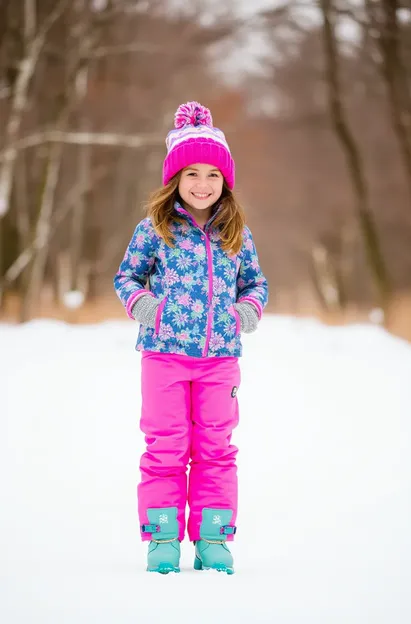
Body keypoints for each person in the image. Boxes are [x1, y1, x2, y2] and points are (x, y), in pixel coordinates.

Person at [114, 101, 268, 575]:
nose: (203, 184)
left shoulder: (236, 233)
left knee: (216, 449)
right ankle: (162, 537)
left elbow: (255, 283)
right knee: (165, 445)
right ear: (175, 180)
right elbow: (128, 277)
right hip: (163, 357)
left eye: (213, 176)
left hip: (220, 359)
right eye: (192, 174)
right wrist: (145, 306)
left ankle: (213, 538)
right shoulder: (154, 229)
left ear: (226, 182)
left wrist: (247, 309)